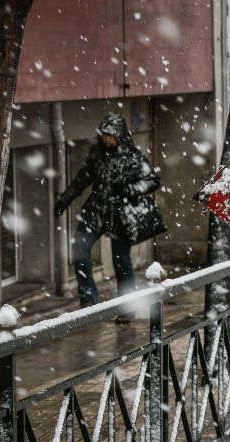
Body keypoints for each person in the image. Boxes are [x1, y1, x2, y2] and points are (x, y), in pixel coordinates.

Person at [55, 114, 166, 321]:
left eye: (111, 136)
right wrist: (65, 199)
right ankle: (88, 298)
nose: (107, 140)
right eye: (104, 135)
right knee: (80, 248)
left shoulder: (132, 156)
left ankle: (127, 308)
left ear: (120, 136)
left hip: (121, 214)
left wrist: (128, 189)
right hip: (96, 210)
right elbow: (83, 178)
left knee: (121, 261)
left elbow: (153, 180)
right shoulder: (97, 153)